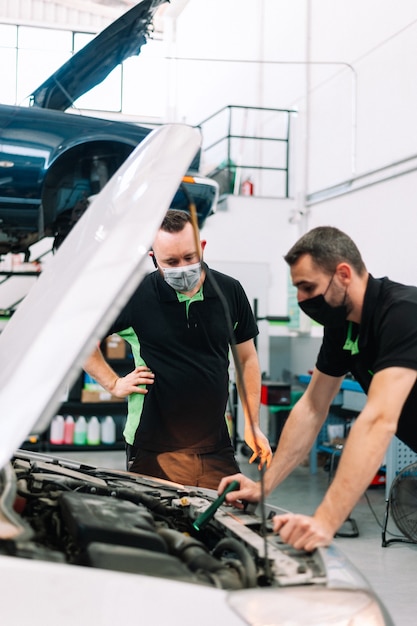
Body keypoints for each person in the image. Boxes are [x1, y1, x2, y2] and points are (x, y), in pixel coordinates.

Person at [218, 225, 417, 551]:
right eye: (297, 289)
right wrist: (263, 486)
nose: (301, 300)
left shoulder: (403, 313)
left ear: (343, 274)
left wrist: (325, 521)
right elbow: (312, 407)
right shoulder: (342, 328)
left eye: (308, 287)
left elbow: (379, 419)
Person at [84, 209, 272, 488]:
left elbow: (247, 359)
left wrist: (252, 423)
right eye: (170, 262)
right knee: (156, 528)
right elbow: (83, 342)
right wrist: (113, 383)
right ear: (153, 259)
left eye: (190, 257)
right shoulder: (134, 296)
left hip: (215, 446)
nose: (182, 267)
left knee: (219, 526)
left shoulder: (230, 291)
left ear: (202, 247)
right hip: (151, 447)